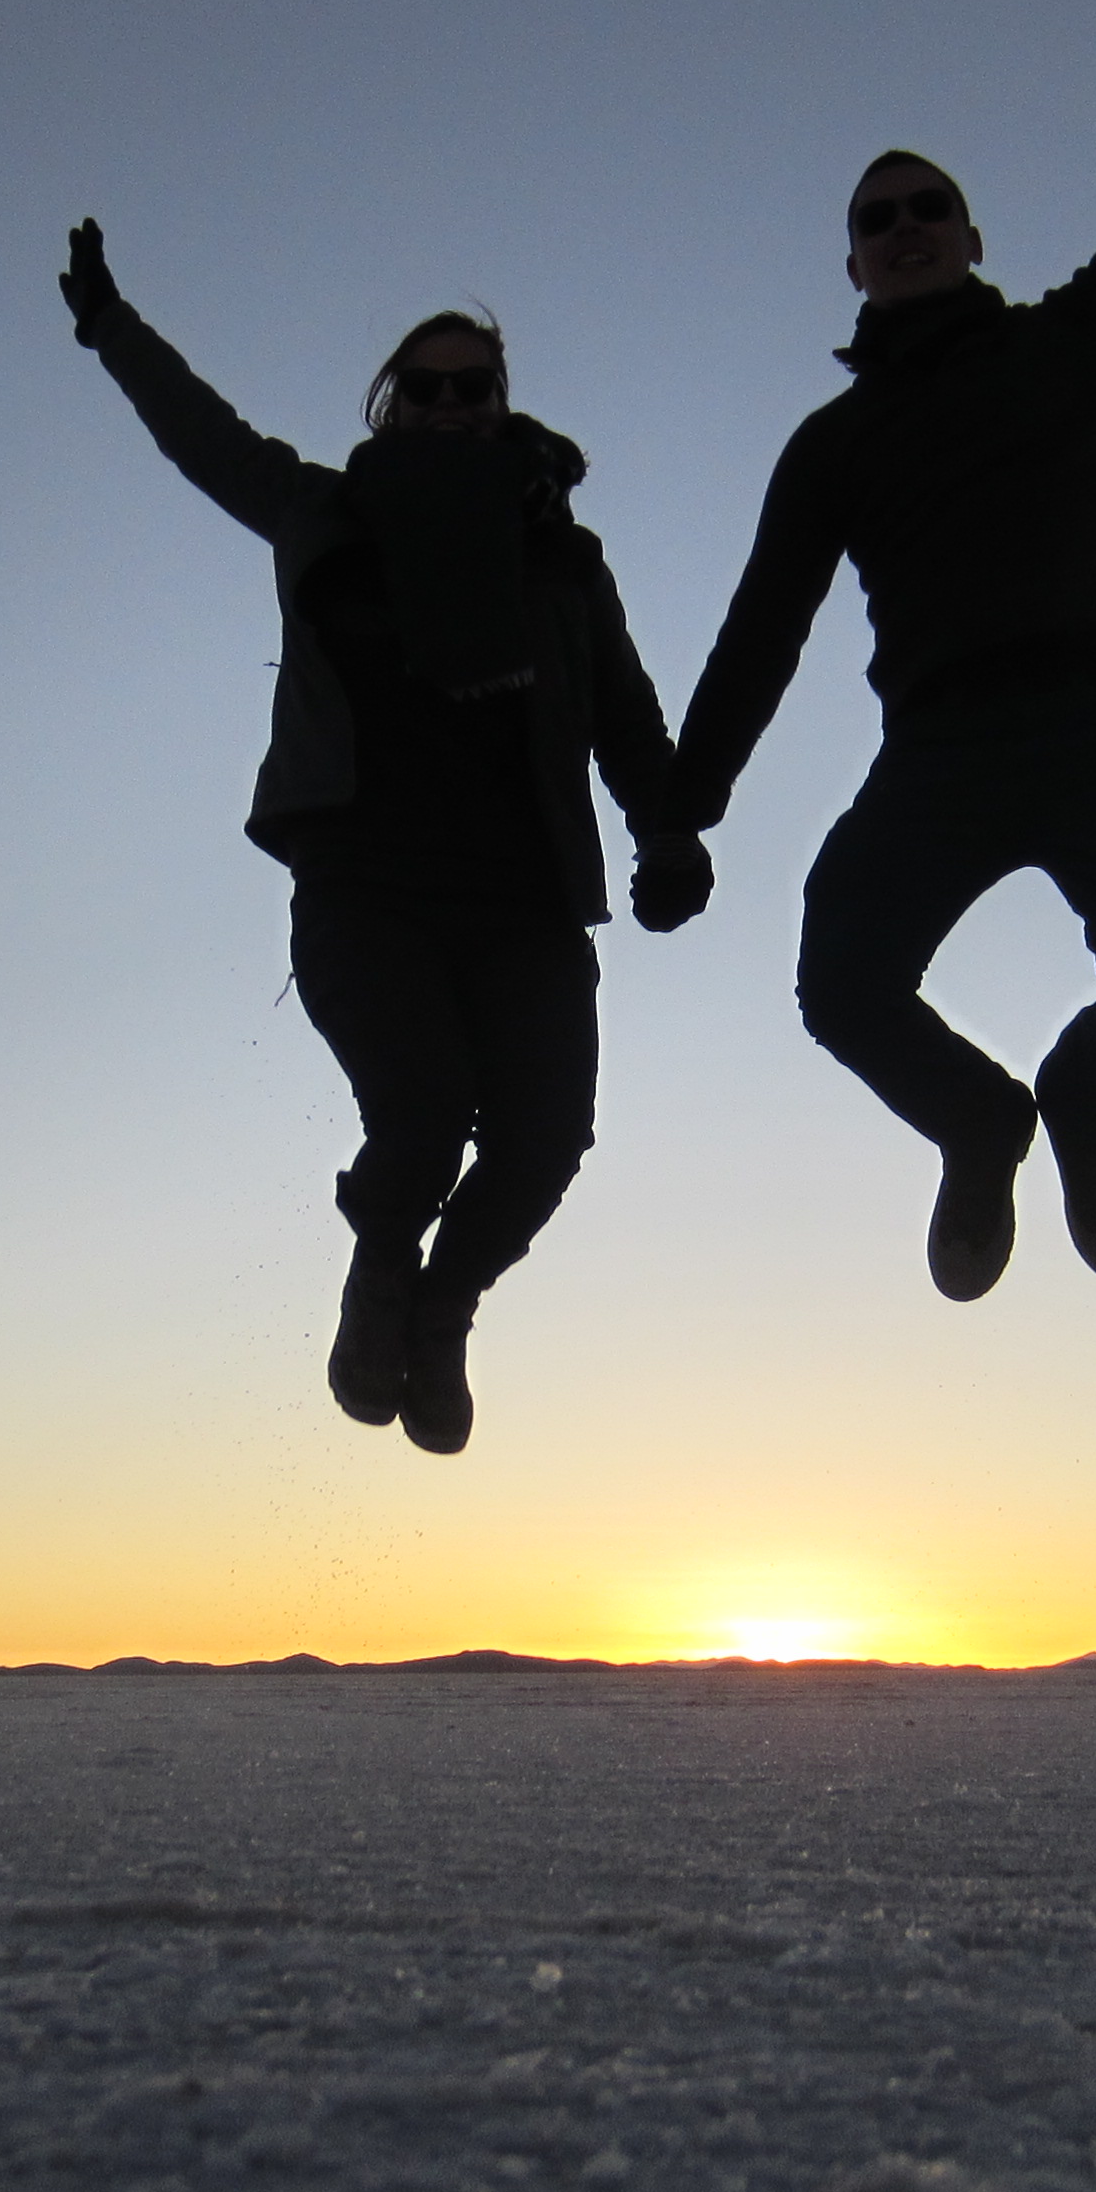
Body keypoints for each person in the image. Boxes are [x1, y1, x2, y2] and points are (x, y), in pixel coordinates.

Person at [650, 0, 1096, 1301]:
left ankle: (1081, 1102)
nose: (901, 230)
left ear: (970, 235)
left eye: (925, 209)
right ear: (852, 264)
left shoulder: (1072, 342)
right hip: (943, 755)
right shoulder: (831, 447)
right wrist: (679, 815)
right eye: (873, 220)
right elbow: (758, 637)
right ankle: (981, 1126)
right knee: (840, 983)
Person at [58, 222, 709, 1452]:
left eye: (476, 389)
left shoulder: (560, 557)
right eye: (428, 388)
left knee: (545, 1139)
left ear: (502, 404)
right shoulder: (323, 512)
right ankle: (378, 1276)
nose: (453, 405)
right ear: (390, 404)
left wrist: (667, 834)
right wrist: (111, 328)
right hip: (368, 888)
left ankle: (442, 1307)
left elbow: (622, 709)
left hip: (523, 896)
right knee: (420, 1114)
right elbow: (203, 436)